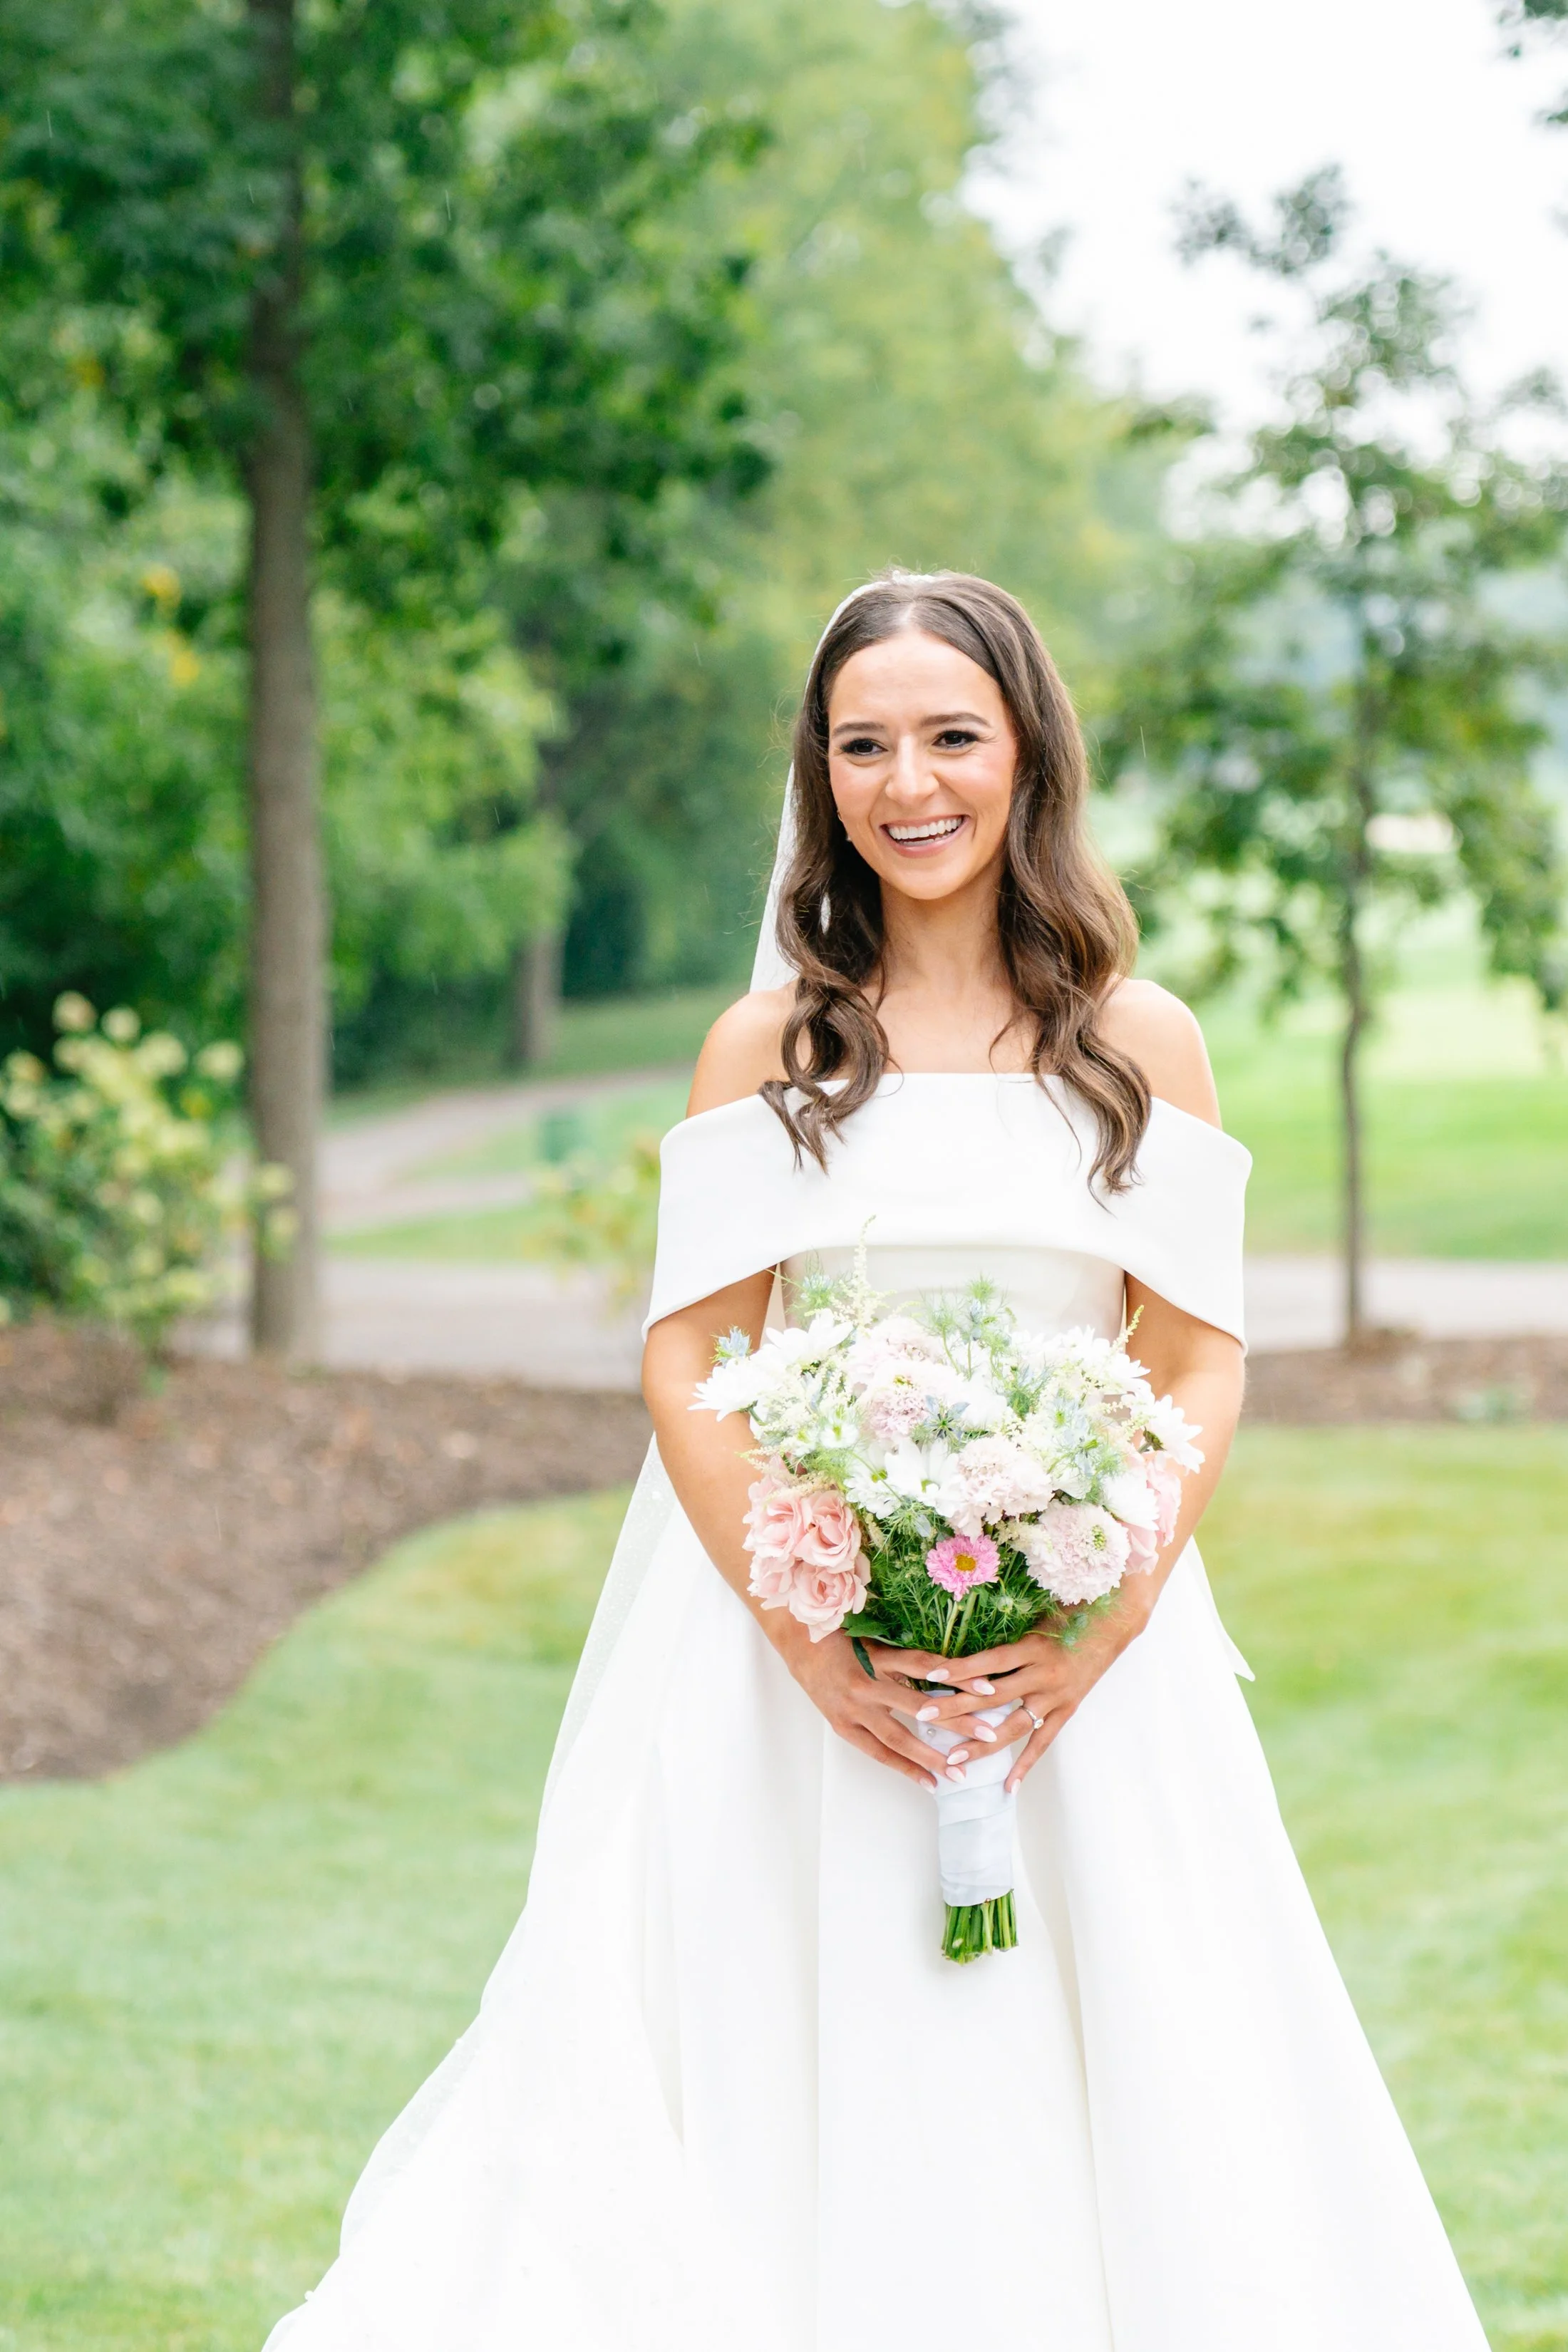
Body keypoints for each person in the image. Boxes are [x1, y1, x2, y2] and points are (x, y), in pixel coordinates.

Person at [265, 570, 1487, 2351]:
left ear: (1024, 757)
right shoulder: (765, 1050)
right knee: (779, 2046)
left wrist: (1102, 1609)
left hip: (1079, 1657)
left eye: (947, 737)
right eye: (861, 743)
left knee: (1124, 2078)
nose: (906, 782)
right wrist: (803, 1624)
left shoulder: (1139, 1046)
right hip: (802, 1663)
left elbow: (1196, 1354)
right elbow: (688, 1351)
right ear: (818, 775)